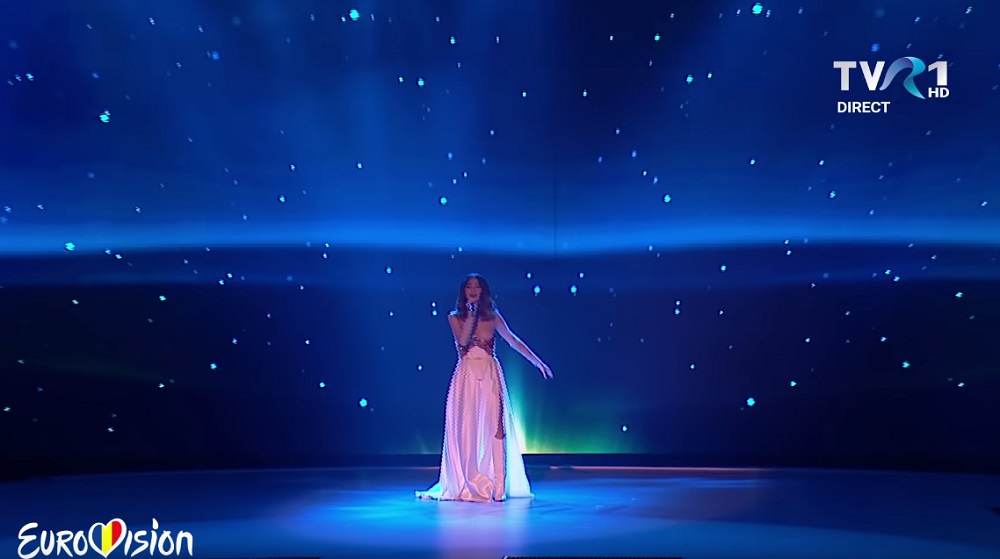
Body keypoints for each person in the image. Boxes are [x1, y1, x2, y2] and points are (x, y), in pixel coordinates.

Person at [416, 273, 553, 502]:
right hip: (466, 375)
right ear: (463, 291)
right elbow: (463, 341)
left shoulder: (493, 317)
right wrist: (471, 313)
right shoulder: (454, 317)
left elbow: (513, 341)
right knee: (467, 428)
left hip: (490, 373)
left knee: (496, 427)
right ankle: (470, 481)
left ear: (483, 291)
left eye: (477, 287)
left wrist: (537, 361)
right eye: (469, 286)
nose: (473, 290)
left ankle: (499, 486)